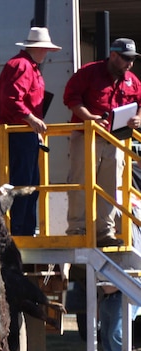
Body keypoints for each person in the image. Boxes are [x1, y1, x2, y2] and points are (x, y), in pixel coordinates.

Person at [63, 37, 141, 246]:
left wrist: (138, 118)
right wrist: (89, 118)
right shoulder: (90, 72)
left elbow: (139, 102)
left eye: (132, 59)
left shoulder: (132, 80)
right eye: (126, 59)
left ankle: (104, 232)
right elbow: (71, 98)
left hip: (116, 138)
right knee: (81, 182)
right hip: (86, 135)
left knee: (112, 186)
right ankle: (77, 230)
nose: (130, 64)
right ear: (113, 55)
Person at [0, 27, 61, 236]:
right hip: (17, 131)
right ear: (37, 48)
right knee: (24, 182)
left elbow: (16, 100)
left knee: (30, 182)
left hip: (22, 130)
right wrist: (31, 120)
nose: (46, 53)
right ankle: (19, 229)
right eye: (45, 49)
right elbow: (12, 100)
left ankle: (23, 228)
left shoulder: (27, 66)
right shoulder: (22, 66)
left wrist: (33, 124)